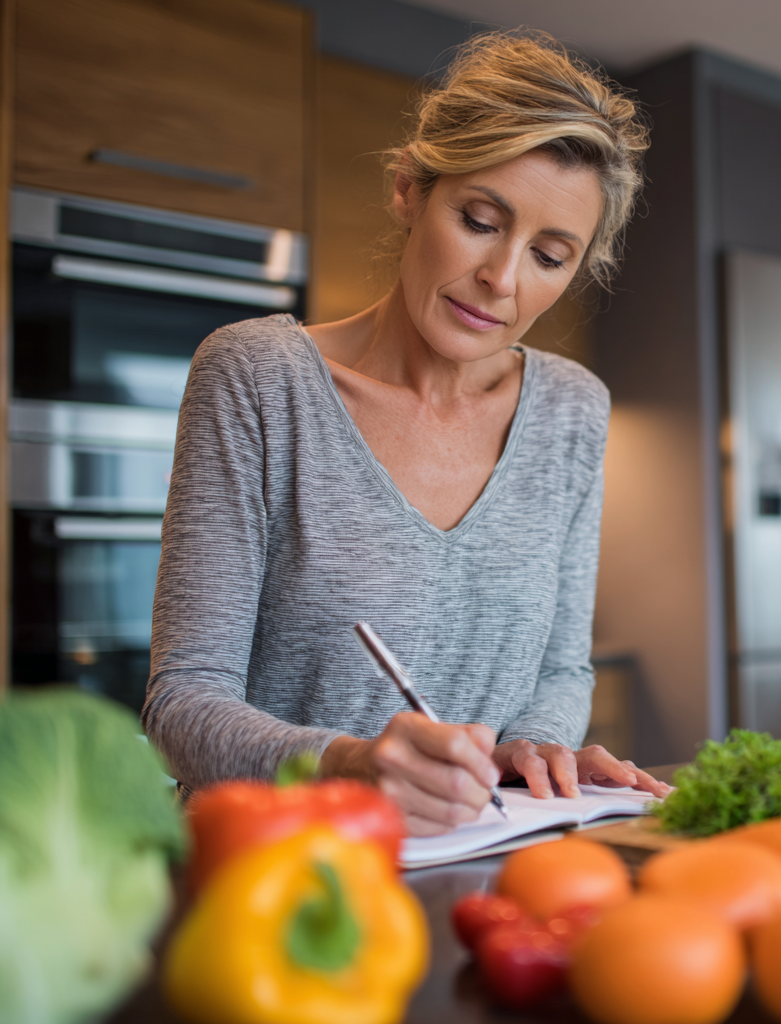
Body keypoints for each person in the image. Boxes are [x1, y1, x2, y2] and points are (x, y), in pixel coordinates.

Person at [142, 30, 671, 836]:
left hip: (487, 871)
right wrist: (350, 765)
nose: (503, 280)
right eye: (480, 220)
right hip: (277, 877)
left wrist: (530, 747)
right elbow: (182, 703)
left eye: (550, 255)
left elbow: (561, 668)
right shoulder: (257, 377)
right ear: (408, 190)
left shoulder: (572, 409)